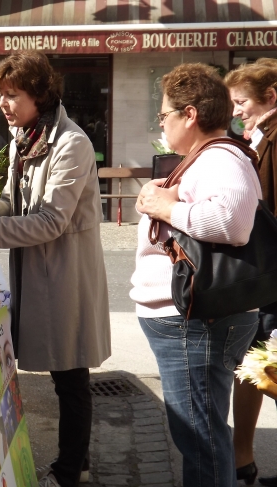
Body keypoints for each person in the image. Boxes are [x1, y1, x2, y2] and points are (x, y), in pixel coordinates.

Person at [0, 51, 111, 487]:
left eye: (12, 95)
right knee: (66, 375)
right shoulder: (25, 137)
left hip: (65, 274)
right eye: (1, 94)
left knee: (71, 375)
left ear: (39, 95)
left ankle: (69, 470)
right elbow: (12, 203)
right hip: (37, 269)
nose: (4, 104)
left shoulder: (70, 143)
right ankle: (78, 462)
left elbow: (51, 220)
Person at [131, 63, 261, 487]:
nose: (161, 123)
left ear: (190, 114)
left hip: (195, 320)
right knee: (199, 435)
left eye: (164, 114)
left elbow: (233, 222)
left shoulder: (221, 157)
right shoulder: (208, 157)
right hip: (190, 319)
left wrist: (162, 207)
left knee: (201, 439)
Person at [224, 58, 277, 487]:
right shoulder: (260, 137)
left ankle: (242, 460)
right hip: (265, 275)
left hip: (271, 276)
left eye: (242, 102)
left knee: (262, 365)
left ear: (270, 98)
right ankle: (242, 459)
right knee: (256, 364)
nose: (237, 110)